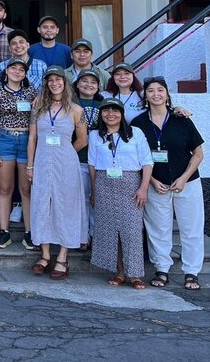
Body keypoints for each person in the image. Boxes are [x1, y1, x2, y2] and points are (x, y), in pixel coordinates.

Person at [132, 76, 205, 291]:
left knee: (191, 229)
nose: (156, 94)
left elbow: (198, 154)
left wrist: (183, 178)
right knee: (158, 229)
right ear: (145, 95)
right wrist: (152, 181)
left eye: (160, 90)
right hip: (157, 184)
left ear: (167, 94)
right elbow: (136, 158)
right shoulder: (138, 123)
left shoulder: (181, 119)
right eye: (151, 90)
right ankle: (162, 268)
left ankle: (191, 272)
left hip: (187, 182)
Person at [27, 67, 89, 280]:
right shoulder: (38, 108)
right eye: (50, 80)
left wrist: (67, 151)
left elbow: (82, 139)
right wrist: (30, 166)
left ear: (65, 82)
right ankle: (44, 255)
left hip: (66, 163)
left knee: (66, 206)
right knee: (42, 204)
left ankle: (62, 257)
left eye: (58, 79)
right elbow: (32, 138)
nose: (54, 83)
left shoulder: (76, 110)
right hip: (42, 161)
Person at [88, 97, 153, 289]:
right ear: (101, 114)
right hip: (104, 184)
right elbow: (92, 164)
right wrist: (93, 191)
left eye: (115, 110)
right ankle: (119, 272)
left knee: (131, 231)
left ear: (122, 114)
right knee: (110, 231)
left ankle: (135, 274)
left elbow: (147, 162)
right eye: (106, 110)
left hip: (131, 185)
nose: (111, 114)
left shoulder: (136, 133)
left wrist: (143, 188)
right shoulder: (95, 135)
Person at [0, 57, 38, 250]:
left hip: (26, 141)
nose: (17, 71)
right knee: (5, 189)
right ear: (6, 71)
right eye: (13, 68)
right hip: (4, 139)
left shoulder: (32, 92)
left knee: (26, 189)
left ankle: (30, 232)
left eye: (21, 69)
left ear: (25, 74)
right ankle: (4, 231)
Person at [73, 69, 104, 249]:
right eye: (84, 81)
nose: (88, 85)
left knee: (97, 199)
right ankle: (83, 235)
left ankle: (96, 235)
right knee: (82, 199)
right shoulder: (70, 103)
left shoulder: (103, 104)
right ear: (77, 84)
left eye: (93, 82)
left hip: (100, 160)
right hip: (79, 158)